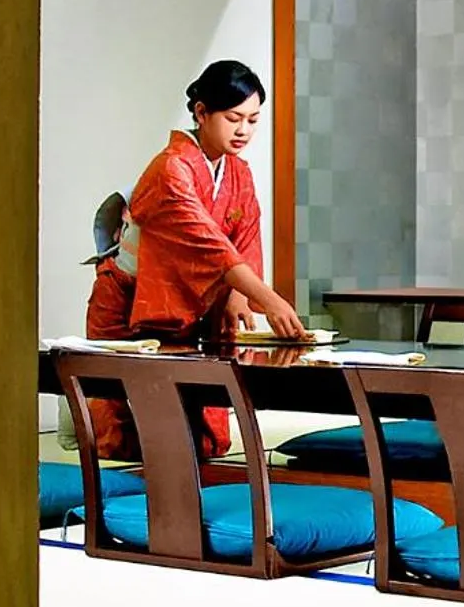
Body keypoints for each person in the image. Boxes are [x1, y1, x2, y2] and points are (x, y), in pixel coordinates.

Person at [82, 60, 306, 459]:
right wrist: (270, 300)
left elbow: (246, 236)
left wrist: (238, 299)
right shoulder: (171, 169)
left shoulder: (239, 173)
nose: (244, 131)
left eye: (253, 120)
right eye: (233, 118)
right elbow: (208, 244)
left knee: (205, 436)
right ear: (201, 113)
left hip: (189, 310)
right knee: (121, 432)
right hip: (127, 302)